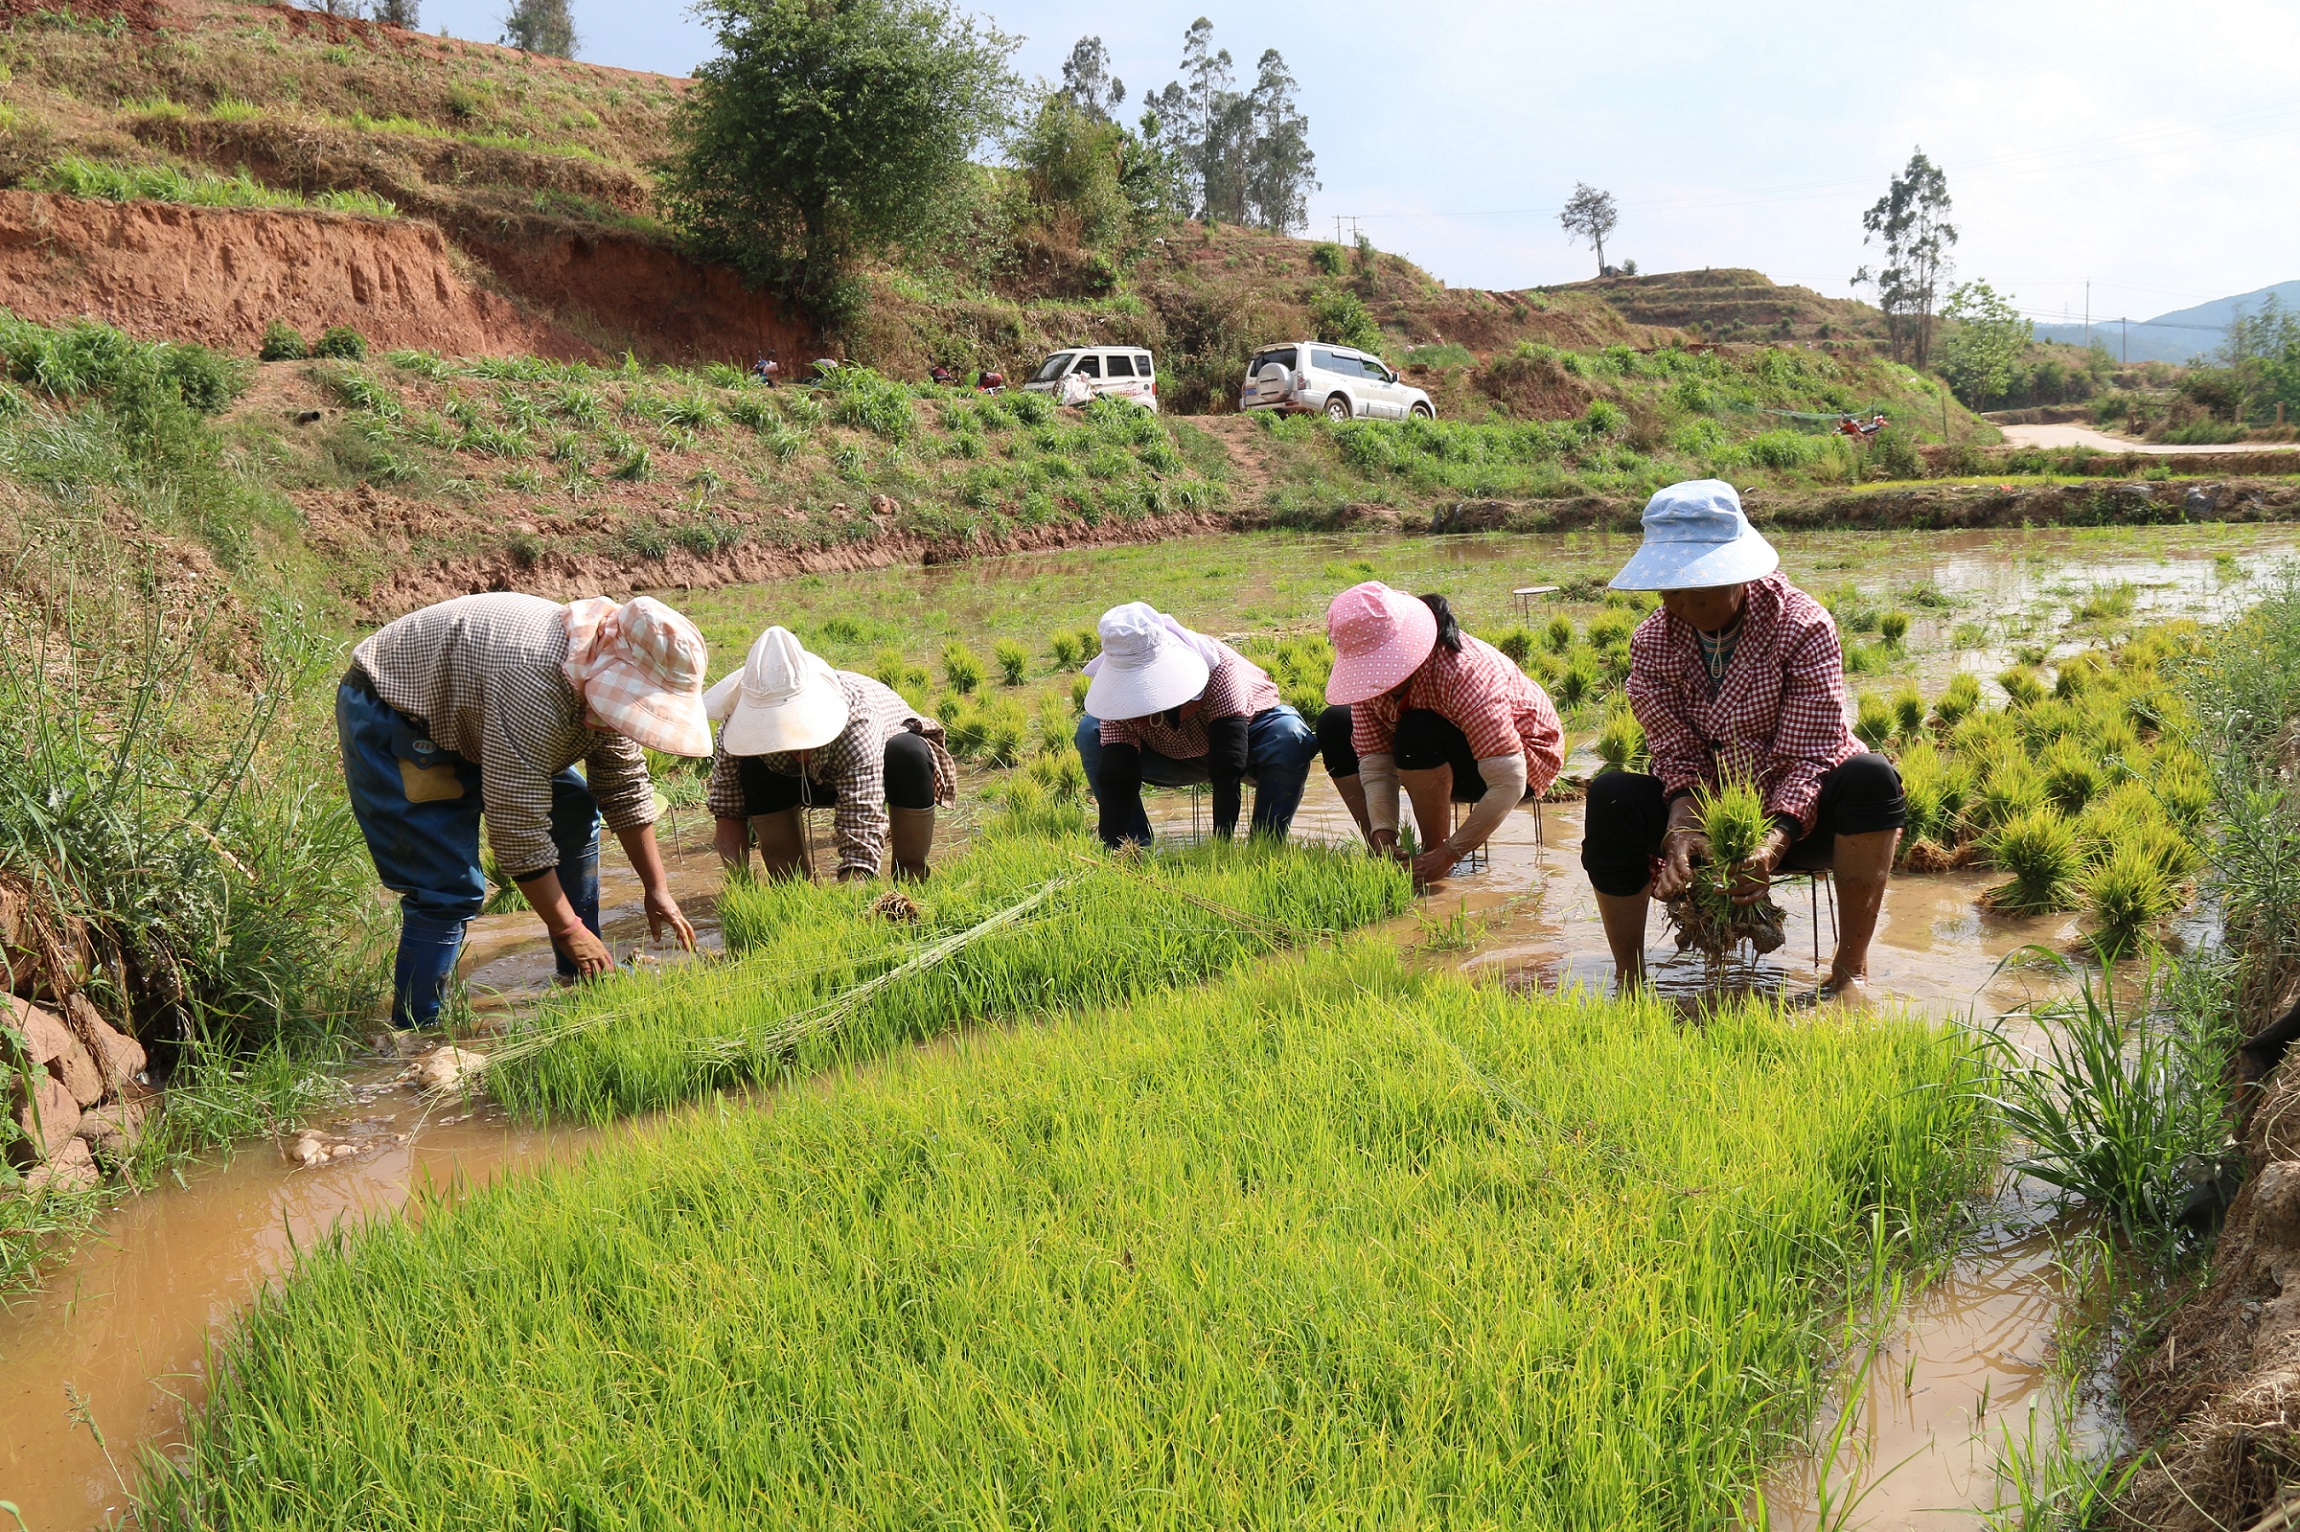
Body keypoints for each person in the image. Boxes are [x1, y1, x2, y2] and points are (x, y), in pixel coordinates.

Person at [1580, 479, 1905, 996]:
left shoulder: (1801, 626)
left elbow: (1810, 755)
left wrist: (1770, 843)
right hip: (1707, 815)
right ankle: (1630, 977)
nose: (1678, 605)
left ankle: (1849, 971)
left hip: (1803, 819)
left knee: (1872, 778)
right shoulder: (1654, 639)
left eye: (1695, 592)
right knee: (1611, 794)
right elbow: (1674, 751)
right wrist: (1679, 830)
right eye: (1667, 589)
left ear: (1740, 578)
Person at [337, 592, 708, 1032]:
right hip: (399, 712)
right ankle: (417, 1031)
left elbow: (622, 786)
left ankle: (583, 971)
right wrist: (568, 928)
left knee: (573, 811)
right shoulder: (536, 684)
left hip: (478, 705)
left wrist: (656, 888)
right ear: (609, 671)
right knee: (446, 889)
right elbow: (517, 832)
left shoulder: (601, 669)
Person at [1316, 582, 1564, 884]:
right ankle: (1383, 852)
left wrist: (1449, 852)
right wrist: (1383, 830)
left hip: (1520, 764)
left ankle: (1432, 855)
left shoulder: (1467, 673)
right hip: (1436, 751)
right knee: (1335, 723)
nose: (1376, 681)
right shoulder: (1369, 685)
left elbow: (1508, 782)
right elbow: (1376, 764)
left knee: (1418, 729)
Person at [707, 627, 955, 882]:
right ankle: (789, 886)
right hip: (799, 780)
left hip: (882, 772)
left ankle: (910, 879)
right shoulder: (736, 727)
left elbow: (862, 814)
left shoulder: (856, 719)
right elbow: (728, 810)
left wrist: (855, 892)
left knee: (908, 753)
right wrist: (739, 882)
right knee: (753, 767)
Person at [1072, 603, 1319, 849]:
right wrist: (1115, 848)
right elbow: (1116, 776)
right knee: (1090, 730)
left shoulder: (1218, 668)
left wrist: (1222, 846)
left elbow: (1228, 767)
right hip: (1165, 755)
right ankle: (1134, 846)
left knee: (1288, 734)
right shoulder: (1116, 697)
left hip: (1243, 748)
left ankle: (1265, 846)